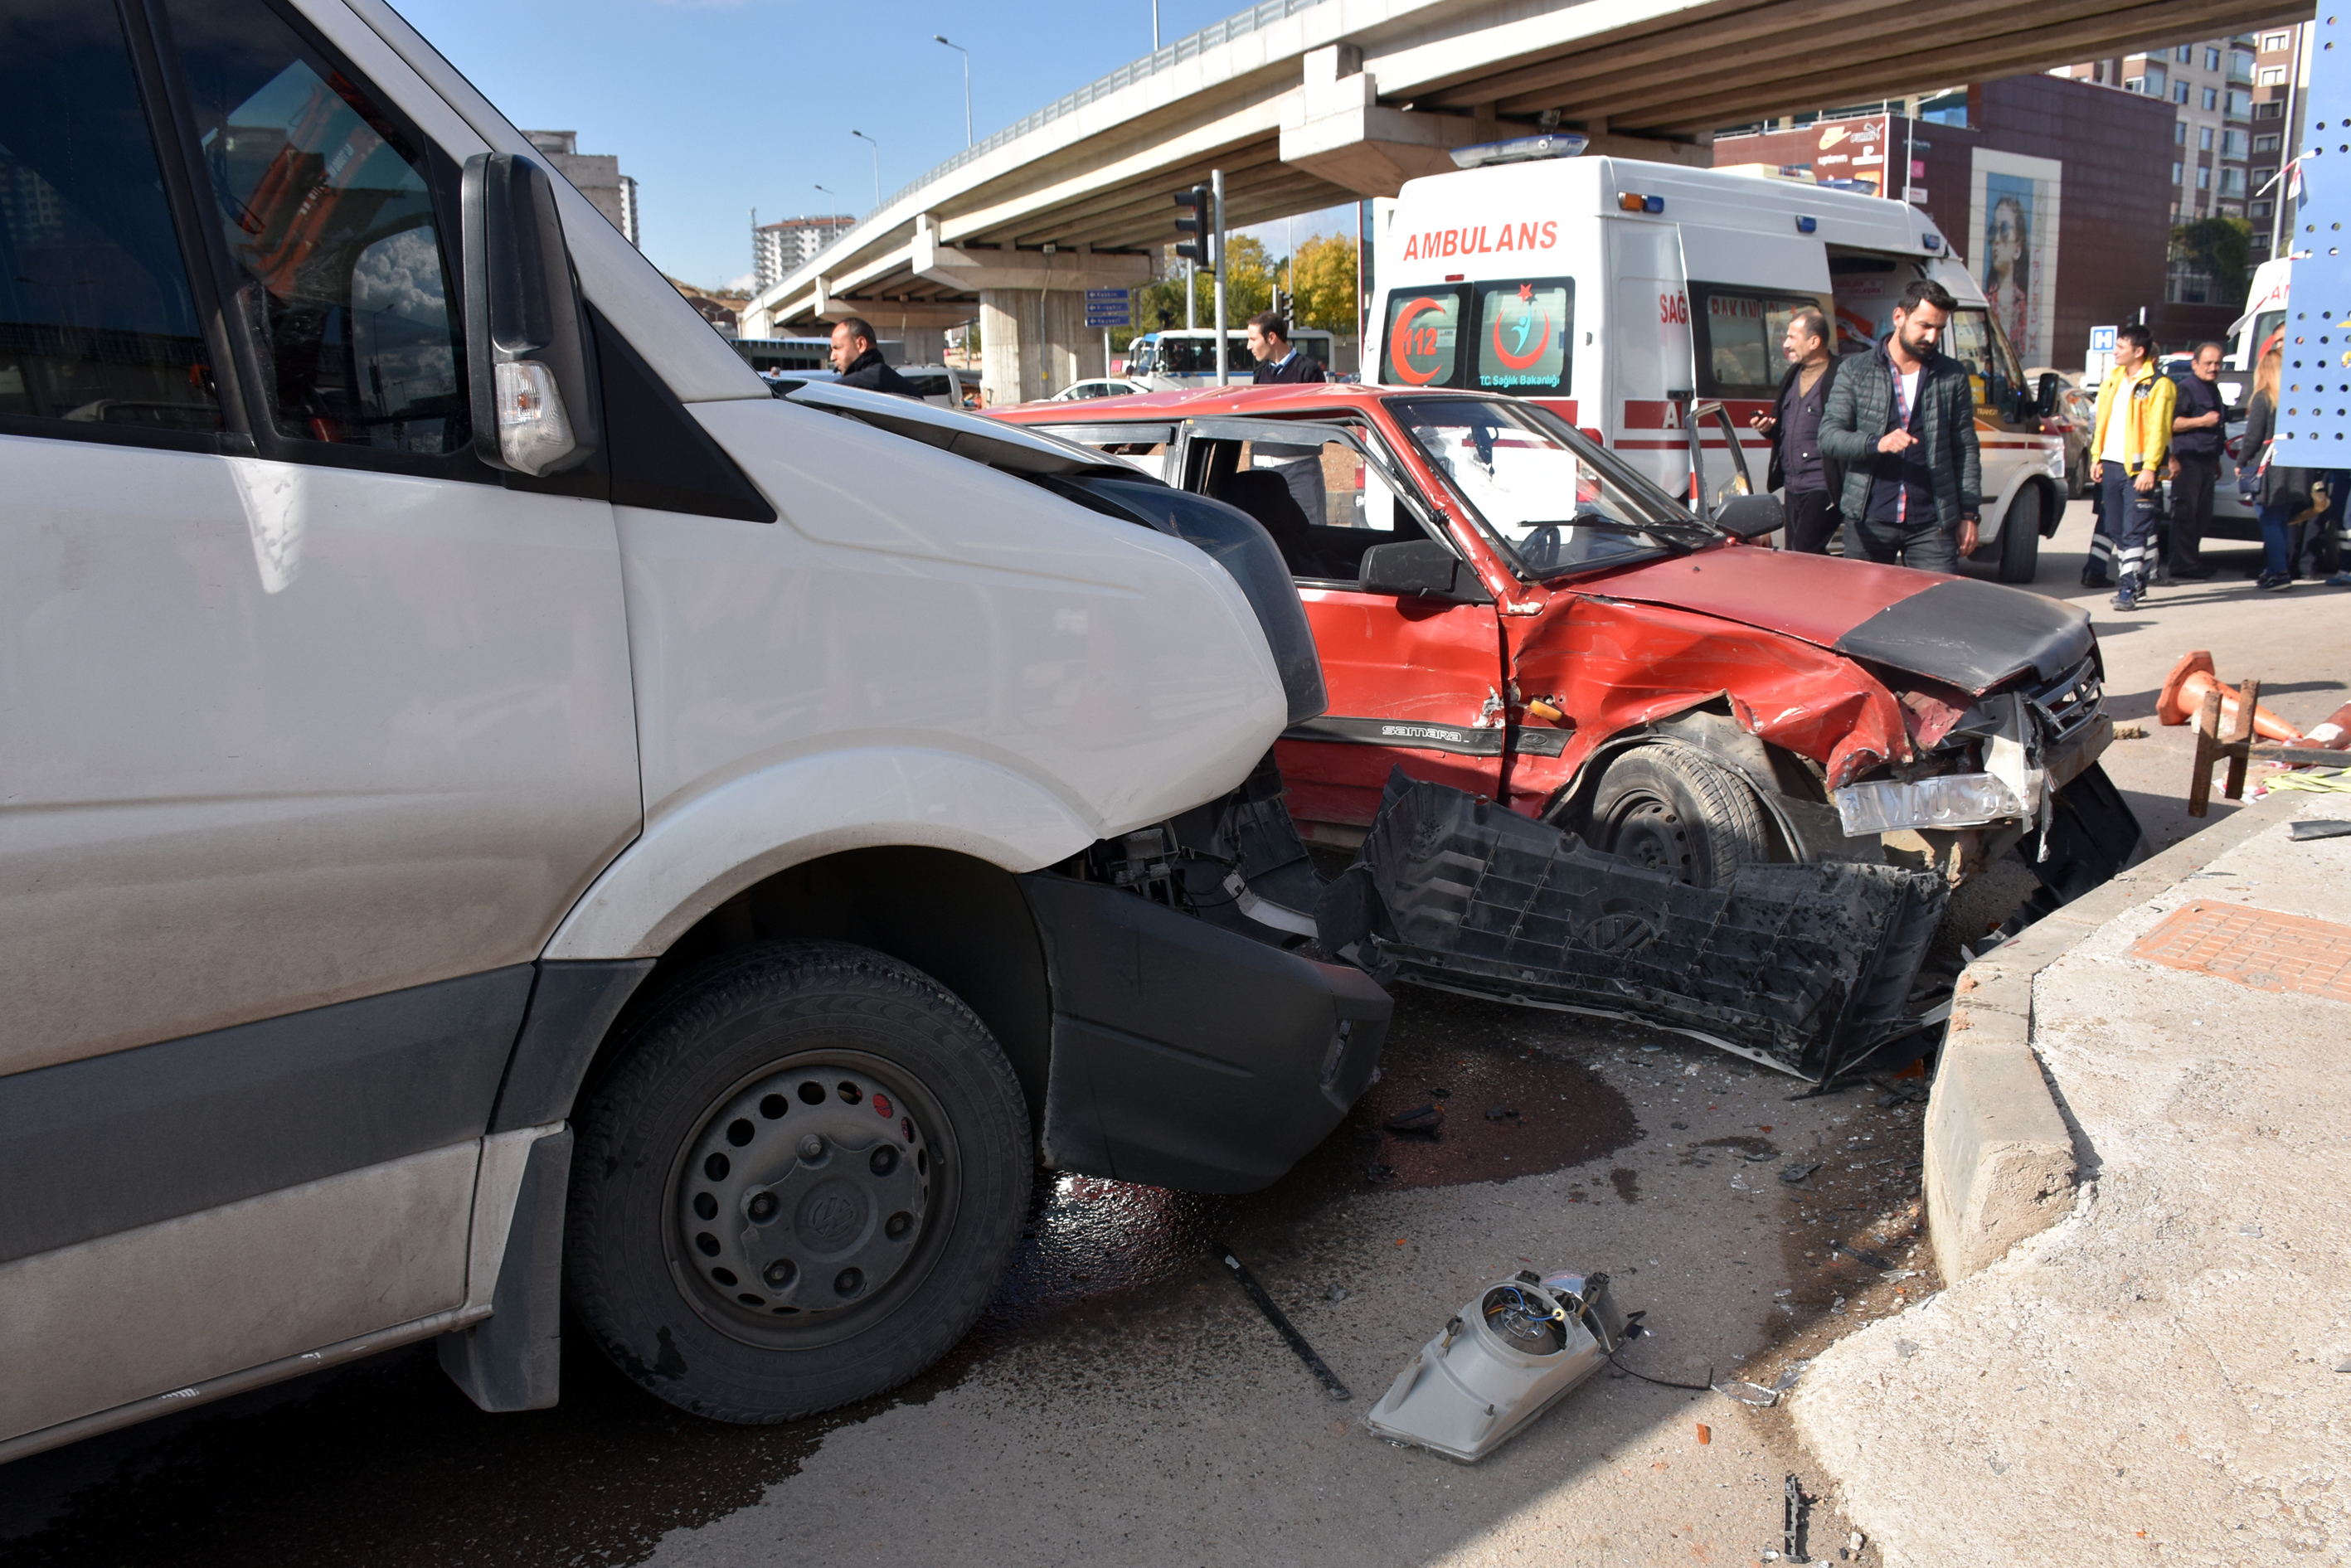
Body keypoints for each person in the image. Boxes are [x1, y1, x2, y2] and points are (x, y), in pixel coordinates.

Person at [1818, 279, 1981, 573]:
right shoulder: (1855, 370)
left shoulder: (1952, 375)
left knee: (1932, 612)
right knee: (1863, 611)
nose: (1932, 337)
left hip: (1934, 524)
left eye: (1940, 329)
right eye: (1925, 326)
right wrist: (1876, 443)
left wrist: (1969, 513)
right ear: (1899, 317)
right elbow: (1829, 437)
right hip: (1870, 518)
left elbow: (1965, 447)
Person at [2085, 323, 2175, 608]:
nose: (2115, 351)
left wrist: (2150, 468)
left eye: (2121, 347)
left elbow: (2158, 431)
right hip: (2110, 465)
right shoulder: (2112, 379)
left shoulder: (2159, 385)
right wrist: (2096, 457)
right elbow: (2101, 422)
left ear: (2139, 351)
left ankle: (2129, 587)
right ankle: (2137, 580)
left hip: (2137, 472)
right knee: (2115, 527)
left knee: (2136, 529)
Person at [1748, 307, 1844, 554]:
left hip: (1823, 485)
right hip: (1793, 485)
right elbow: (1783, 424)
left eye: (1792, 337)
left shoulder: (1841, 376)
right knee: (1795, 553)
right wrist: (1767, 427)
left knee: (1805, 550)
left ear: (1814, 341)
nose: (1787, 344)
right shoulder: (1792, 375)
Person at [2238, 345, 2311, 592]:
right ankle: (2273, 570)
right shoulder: (2299, 399)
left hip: (2269, 469)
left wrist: (2241, 462)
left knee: (2269, 521)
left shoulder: (2263, 397)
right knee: (2281, 520)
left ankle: (2279, 572)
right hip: (2295, 468)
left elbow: (2252, 438)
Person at [2165, 340, 2227, 580]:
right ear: (2195, 364)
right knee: (2186, 515)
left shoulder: (2212, 388)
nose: (2213, 367)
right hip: (2187, 460)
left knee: (2201, 515)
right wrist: (2201, 421)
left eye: (2217, 363)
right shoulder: (2186, 388)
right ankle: (2181, 565)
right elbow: (2171, 424)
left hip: (2206, 461)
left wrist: (2215, 459)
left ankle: (2192, 561)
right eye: (2208, 363)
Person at [828, 318, 920, 397]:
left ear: (861, 344)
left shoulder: (844, 389)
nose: (832, 357)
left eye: (837, 348)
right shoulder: (912, 390)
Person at [1246, 313, 1328, 384]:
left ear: (1271, 338)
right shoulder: (1260, 373)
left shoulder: (1309, 371)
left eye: (1253, 339)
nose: (1248, 346)